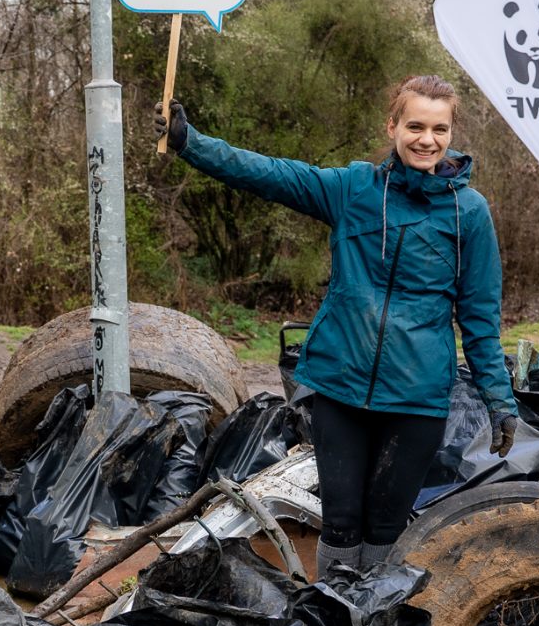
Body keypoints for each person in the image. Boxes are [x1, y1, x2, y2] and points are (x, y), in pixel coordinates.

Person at [155, 74, 518, 576]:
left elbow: (479, 317)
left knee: (386, 528)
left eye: (439, 129)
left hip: (416, 397)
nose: (426, 140)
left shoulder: (469, 214)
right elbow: (270, 174)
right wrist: (190, 143)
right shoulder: (352, 190)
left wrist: (500, 400)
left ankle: (373, 623)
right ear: (392, 126)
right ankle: (332, 617)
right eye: (415, 125)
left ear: (452, 133)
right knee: (342, 522)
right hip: (340, 387)